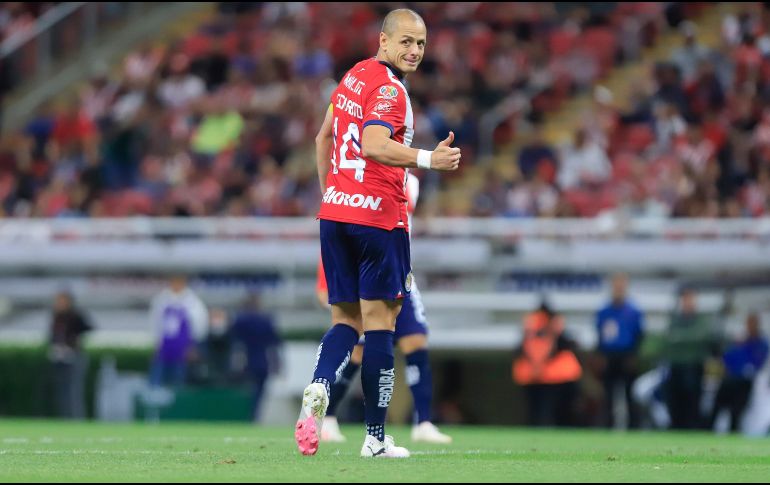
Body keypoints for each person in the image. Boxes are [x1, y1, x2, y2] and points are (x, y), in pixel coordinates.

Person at [294, 8, 461, 458]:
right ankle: (375, 438)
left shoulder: (353, 76)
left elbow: (323, 139)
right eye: (406, 41)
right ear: (383, 41)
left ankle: (320, 383)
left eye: (420, 43)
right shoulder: (391, 89)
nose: (414, 50)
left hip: (336, 214)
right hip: (379, 219)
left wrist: (334, 195)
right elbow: (373, 143)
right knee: (381, 326)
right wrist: (429, 159)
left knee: (345, 322)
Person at [318, 173, 452, 444]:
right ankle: (330, 416)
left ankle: (423, 422)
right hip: (369, 267)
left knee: (416, 339)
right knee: (358, 351)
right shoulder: (366, 176)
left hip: (397, 269)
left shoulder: (409, 182)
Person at [512, 301, 582, 427]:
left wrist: (536, 365)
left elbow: (522, 348)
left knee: (538, 409)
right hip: (553, 375)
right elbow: (558, 344)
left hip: (538, 375)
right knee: (553, 409)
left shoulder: (532, 323)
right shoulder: (550, 323)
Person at [664, 287, 720, 430]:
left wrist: (680, 338)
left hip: (694, 366)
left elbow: (702, 336)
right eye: (685, 299)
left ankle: (692, 427)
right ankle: (676, 427)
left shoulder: (701, 320)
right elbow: (668, 338)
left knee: (693, 398)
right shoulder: (676, 319)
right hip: (676, 366)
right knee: (675, 399)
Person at [595, 273, 645, 429]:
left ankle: (633, 426)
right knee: (608, 395)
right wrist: (601, 355)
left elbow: (639, 335)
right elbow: (599, 335)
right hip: (609, 356)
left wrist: (634, 355)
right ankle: (608, 425)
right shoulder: (604, 311)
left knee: (630, 394)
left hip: (627, 355)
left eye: (621, 285)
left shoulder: (633, 311)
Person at [709, 313, 768, 432]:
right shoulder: (740, 341)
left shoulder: (761, 343)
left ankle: (733, 432)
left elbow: (757, 362)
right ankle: (707, 431)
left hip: (744, 382)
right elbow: (727, 357)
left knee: (736, 411)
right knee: (716, 408)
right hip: (730, 379)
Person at [230, 293, 283, 422]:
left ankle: (244, 415)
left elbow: (234, 341)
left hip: (245, 361)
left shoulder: (240, 320)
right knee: (259, 393)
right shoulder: (266, 320)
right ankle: (253, 416)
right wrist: (277, 365)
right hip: (262, 362)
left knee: (245, 392)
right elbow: (274, 343)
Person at [148, 275, 208, 388]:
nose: (177, 285)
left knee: (179, 374)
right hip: (164, 345)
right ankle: (154, 393)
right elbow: (155, 322)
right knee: (158, 372)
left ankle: (177, 393)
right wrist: (156, 342)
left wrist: (193, 345)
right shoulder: (161, 299)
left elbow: (199, 324)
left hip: (182, 345)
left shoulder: (192, 301)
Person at [47, 291, 93, 419]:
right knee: (62, 391)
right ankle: (65, 418)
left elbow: (88, 328)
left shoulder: (75, 315)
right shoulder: (56, 316)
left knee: (74, 390)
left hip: (74, 356)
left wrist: (73, 339)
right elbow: (52, 336)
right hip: (59, 358)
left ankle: (76, 418)